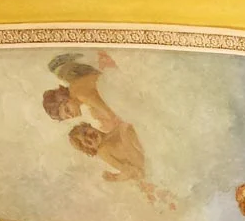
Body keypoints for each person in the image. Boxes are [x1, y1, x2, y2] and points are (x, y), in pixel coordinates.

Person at [41, 51, 174, 207]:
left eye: (68, 111)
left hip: (126, 105)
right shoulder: (76, 88)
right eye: (68, 117)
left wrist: (112, 122)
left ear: (64, 99)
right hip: (123, 102)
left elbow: (112, 112)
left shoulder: (79, 94)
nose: (73, 116)